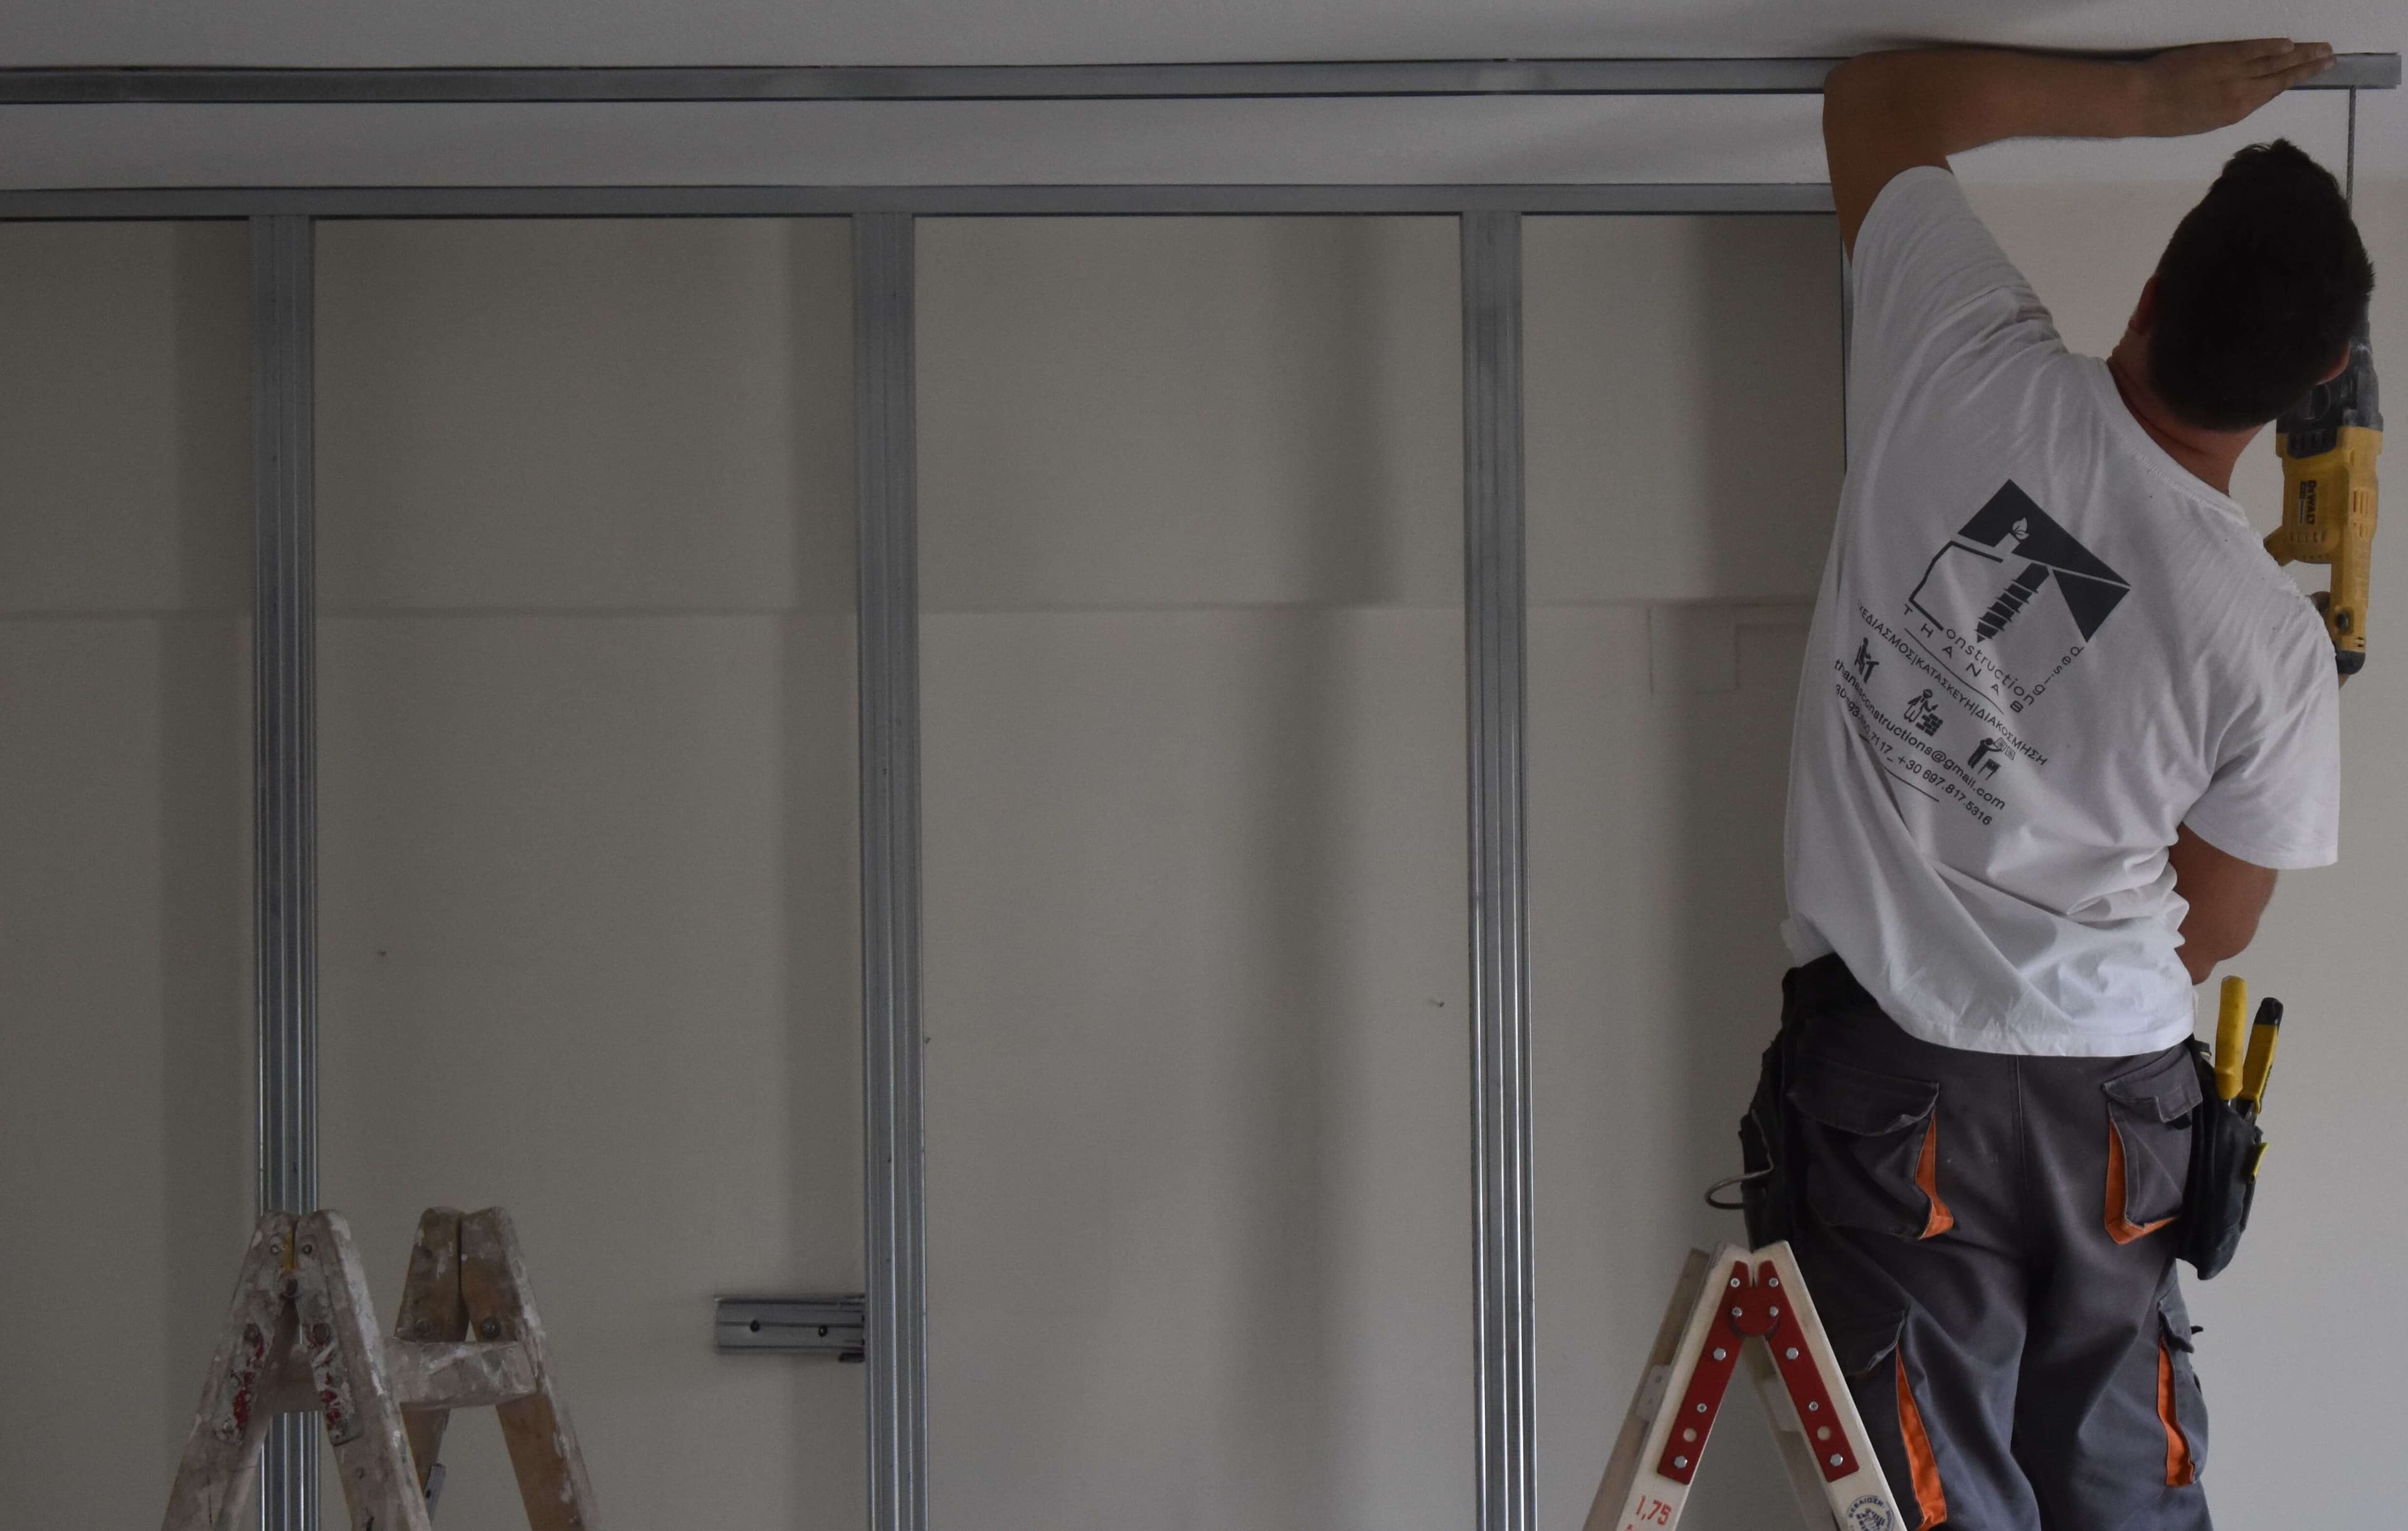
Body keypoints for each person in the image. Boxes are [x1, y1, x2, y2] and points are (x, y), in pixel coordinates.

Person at [1774, 41, 2371, 1530]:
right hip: (2116, 1096)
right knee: (2124, 1487)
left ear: (2157, 286)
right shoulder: (2268, 639)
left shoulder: (1956, 353)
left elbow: (1876, 101)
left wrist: (2155, 101)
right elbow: (2213, 931)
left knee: (1941, 1497)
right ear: (2314, 389)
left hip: (1897, 1076)